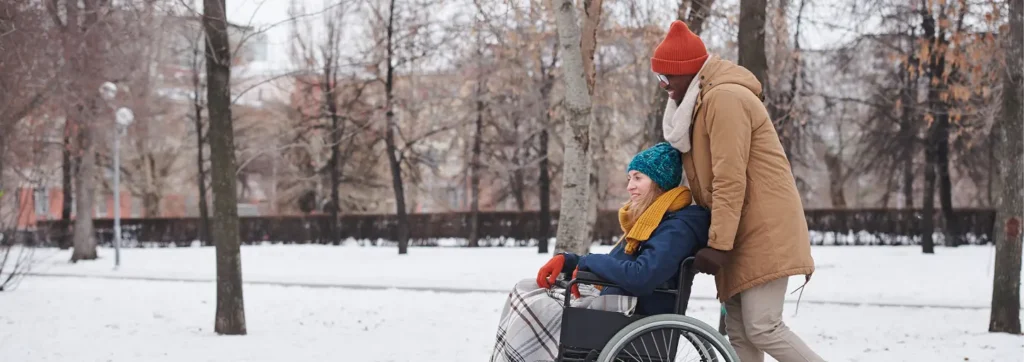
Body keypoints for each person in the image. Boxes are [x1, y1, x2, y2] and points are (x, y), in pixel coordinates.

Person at [650, 20, 824, 362]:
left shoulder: (724, 99)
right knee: (740, 335)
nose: (664, 86)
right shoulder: (695, 108)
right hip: (736, 231)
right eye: (659, 78)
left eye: (666, 77)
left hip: (762, 231)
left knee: (763, 327)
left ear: (687, 72)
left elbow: (729, 179)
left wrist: (718, 245)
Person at [490, 142, 711, 362]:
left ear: (659, 183)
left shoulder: (676, 228)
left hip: (634, 313)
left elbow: (641, 276)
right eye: (629, 178)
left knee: (534, 305)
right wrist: (568, 261)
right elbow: (618, 262)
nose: (630, 186)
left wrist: (588, 263)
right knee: (525, 288)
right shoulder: (656, 220)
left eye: (638, 177)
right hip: (621, 303)